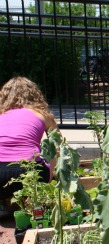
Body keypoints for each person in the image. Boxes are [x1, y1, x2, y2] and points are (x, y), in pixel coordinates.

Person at [0, 76, 59, 217]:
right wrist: (49, 178)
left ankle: (2, 202)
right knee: (46, 162)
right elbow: (57, 149)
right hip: (30, 174)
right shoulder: (44, 115)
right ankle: (35, 201)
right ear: (35, 94)